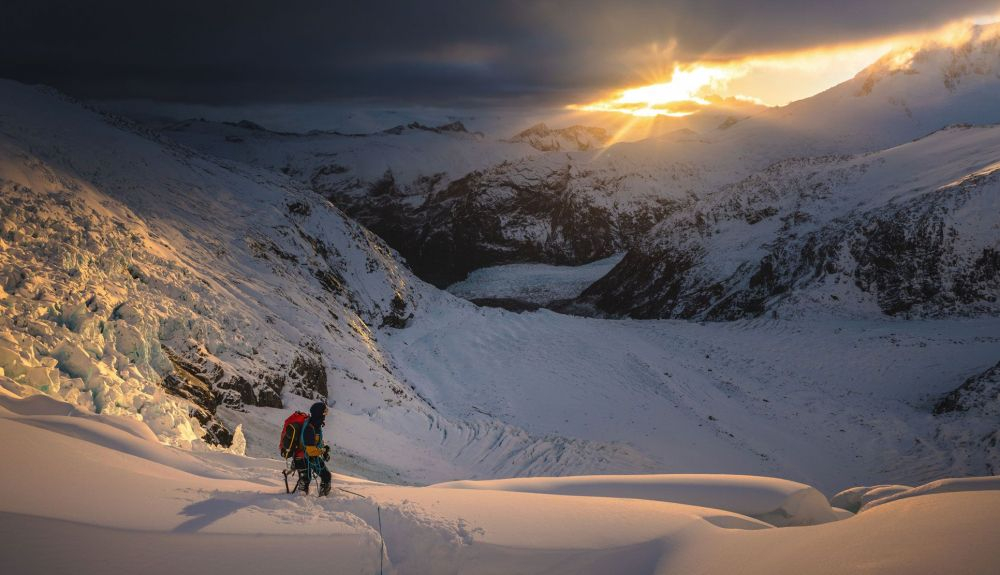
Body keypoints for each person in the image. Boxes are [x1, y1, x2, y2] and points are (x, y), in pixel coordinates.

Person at [295, 401, 332, 496]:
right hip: (302, 458)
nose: (325, 416)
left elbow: (316, 443)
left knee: (326, 476)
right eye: (324, 413)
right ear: (318, 413)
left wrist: (323, 449)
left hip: (310, 457)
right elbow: (311, 451)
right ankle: (298, 502)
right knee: (306, 479)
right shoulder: (309, 428)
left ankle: (322, 499)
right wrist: (324, 450)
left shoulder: (316, 425)